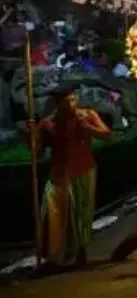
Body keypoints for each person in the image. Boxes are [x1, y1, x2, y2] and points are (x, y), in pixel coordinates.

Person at [29, 89, 112, 267]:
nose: (72, 104)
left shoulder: (87, 115)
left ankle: (81, 253)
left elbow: (106, 134)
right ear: (58, 104)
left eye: (74, 100)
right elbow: (37, 152)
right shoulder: (48, 124)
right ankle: (54, 256)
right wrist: (32, 135)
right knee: (52, 212)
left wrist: (88, 128)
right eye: (67, 101)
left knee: (81, 213)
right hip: (58, 174)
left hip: (83, 170)